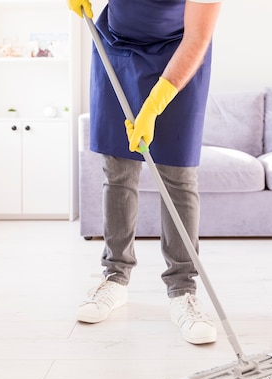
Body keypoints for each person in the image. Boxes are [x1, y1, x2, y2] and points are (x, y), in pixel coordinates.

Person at [67, 0, 222, 345]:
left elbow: (197, 38)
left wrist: (156, 103)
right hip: (117, 48)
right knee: (118, 169)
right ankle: (115, 277)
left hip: (179, 52)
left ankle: (183, 290)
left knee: (178, 174)